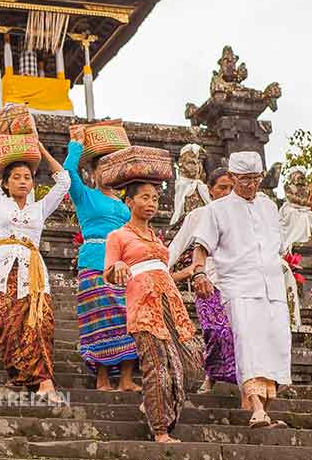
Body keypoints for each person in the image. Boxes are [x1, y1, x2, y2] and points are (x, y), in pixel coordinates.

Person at [191, 151, 290, 430]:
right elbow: (201, 246)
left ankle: (266, 410)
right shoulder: (217, 209)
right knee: (248, 344)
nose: (250, 185)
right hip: (238, 286)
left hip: (272, 286)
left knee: (277, 346)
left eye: (256, 179)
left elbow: (277, 247)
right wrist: (199, 272)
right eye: (244, 179)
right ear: (232, 177)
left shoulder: (269, 207)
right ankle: (256, 408)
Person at [0, 134, 69, 403]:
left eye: (27, 177)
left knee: (40, 324)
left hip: (32, 273)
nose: (22, 181)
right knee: (3, 322)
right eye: (16, 177)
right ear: (5, 182)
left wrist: (40, 148)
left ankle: (44, 381)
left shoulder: (41, 208)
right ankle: (19, 374)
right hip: (2, 271)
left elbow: (64, 182)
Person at [104, 181, 197, 443]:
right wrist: (119, 265)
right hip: (144, 308)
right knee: (157, 368)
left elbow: (162, 273)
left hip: (171, 306)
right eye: (145, 198)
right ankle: (160, 429)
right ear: (129, 202)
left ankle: (154, 403)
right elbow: (109, 272)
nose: (152, 203)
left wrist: (186, 273)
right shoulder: (118, 236)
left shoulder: (156, 238)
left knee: (187, 363)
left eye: (155, 198)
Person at [63, 128, 138, 392]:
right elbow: (68, 173)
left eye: (111, 168)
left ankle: (127, 379)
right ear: (93, 173)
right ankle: (103, 378)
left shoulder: (126, 204)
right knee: (100, 319)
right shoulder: (85, 196)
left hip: (124, 265)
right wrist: (77, 145)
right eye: (101, 169)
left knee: (128, 318)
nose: (106, 174)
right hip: (94, 263)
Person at [168, 167, 236, 394]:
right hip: (207, 283)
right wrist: (158, 269)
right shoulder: (198, 216)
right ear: (210, 190)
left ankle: (244, 385)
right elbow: (176, 247)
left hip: (238, 284)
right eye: (222, 187)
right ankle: (211, 376)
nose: (227, 193)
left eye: (231, 188)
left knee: (240, 333)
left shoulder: (244, 217)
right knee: (215, 331)